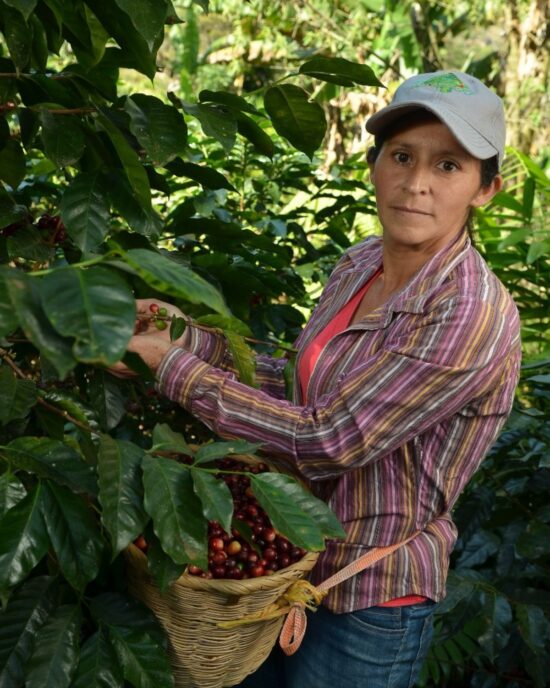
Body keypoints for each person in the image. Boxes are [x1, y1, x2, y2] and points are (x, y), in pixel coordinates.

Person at [111, 70, 521, 687]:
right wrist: (186, 339)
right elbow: (304, 387)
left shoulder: (469, 312)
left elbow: (333, 438)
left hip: (369, 600)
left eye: (448, 167)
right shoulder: (361, 263)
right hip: (280, 576)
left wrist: (174, 371)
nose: (415, 185)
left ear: (484, 189)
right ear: (375, 164)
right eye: (402, 156)